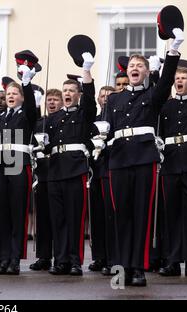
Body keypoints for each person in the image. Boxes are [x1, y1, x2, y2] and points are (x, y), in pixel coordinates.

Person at [105, 28, 183, 286]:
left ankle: (138, 267)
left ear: (147, 72)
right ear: (127, 72)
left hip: (143, 158)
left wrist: (173, 49)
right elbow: (105, 128)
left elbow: (168, 78)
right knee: (121, 214)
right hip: (118, 159)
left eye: (140, 65)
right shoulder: (114, 100)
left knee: (141, 213)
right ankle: (122, 267)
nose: (135, 68)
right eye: (132, 65)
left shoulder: (153, 95)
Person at [46, 53, 96, 276]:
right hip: (55, 170)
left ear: (78, 95)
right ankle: (61, 259)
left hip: (75, 169)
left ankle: (75, 260)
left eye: (71, 91)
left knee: (75, 218)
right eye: (64, 90)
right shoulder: (54, 118)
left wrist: (86, 73)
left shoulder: (85, 114)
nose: (66, 94)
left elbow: (90, 99)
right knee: (59, 219)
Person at [0, 63, 38, 276]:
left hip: (19, 163)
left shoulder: (26, 114)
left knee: (18, 212)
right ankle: (4, 256)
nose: (10, 96)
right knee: (1, 213)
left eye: (15, 93)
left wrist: (26, 82)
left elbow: (31, 112)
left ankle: (15, 258)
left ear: (22, 97)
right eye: (8, 93)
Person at [159, 66, 187, 277]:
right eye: (177, 78)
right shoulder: (166, 107)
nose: (179, 81)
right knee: (170, 213)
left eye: (183, 78)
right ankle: (172, 260)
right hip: (171, 163)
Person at [29, 89, 63, 271]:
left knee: (57, 218)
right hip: (42, 173)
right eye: (49, 100)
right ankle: (43, 256)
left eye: (55, 100)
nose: (52, 103)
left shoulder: (63, 120)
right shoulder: (40, 122)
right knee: (42, 218)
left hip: (58, 170)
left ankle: (59, 256)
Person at [88, 86, 114, 273]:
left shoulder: (116, 118)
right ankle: (99, 256)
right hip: (94, 172)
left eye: (108, 96)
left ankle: (111, 258)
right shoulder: (94, 121)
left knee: (109, 216)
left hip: (109, 170)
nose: (105, 99)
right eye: (102, 96)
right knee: (96, 217)